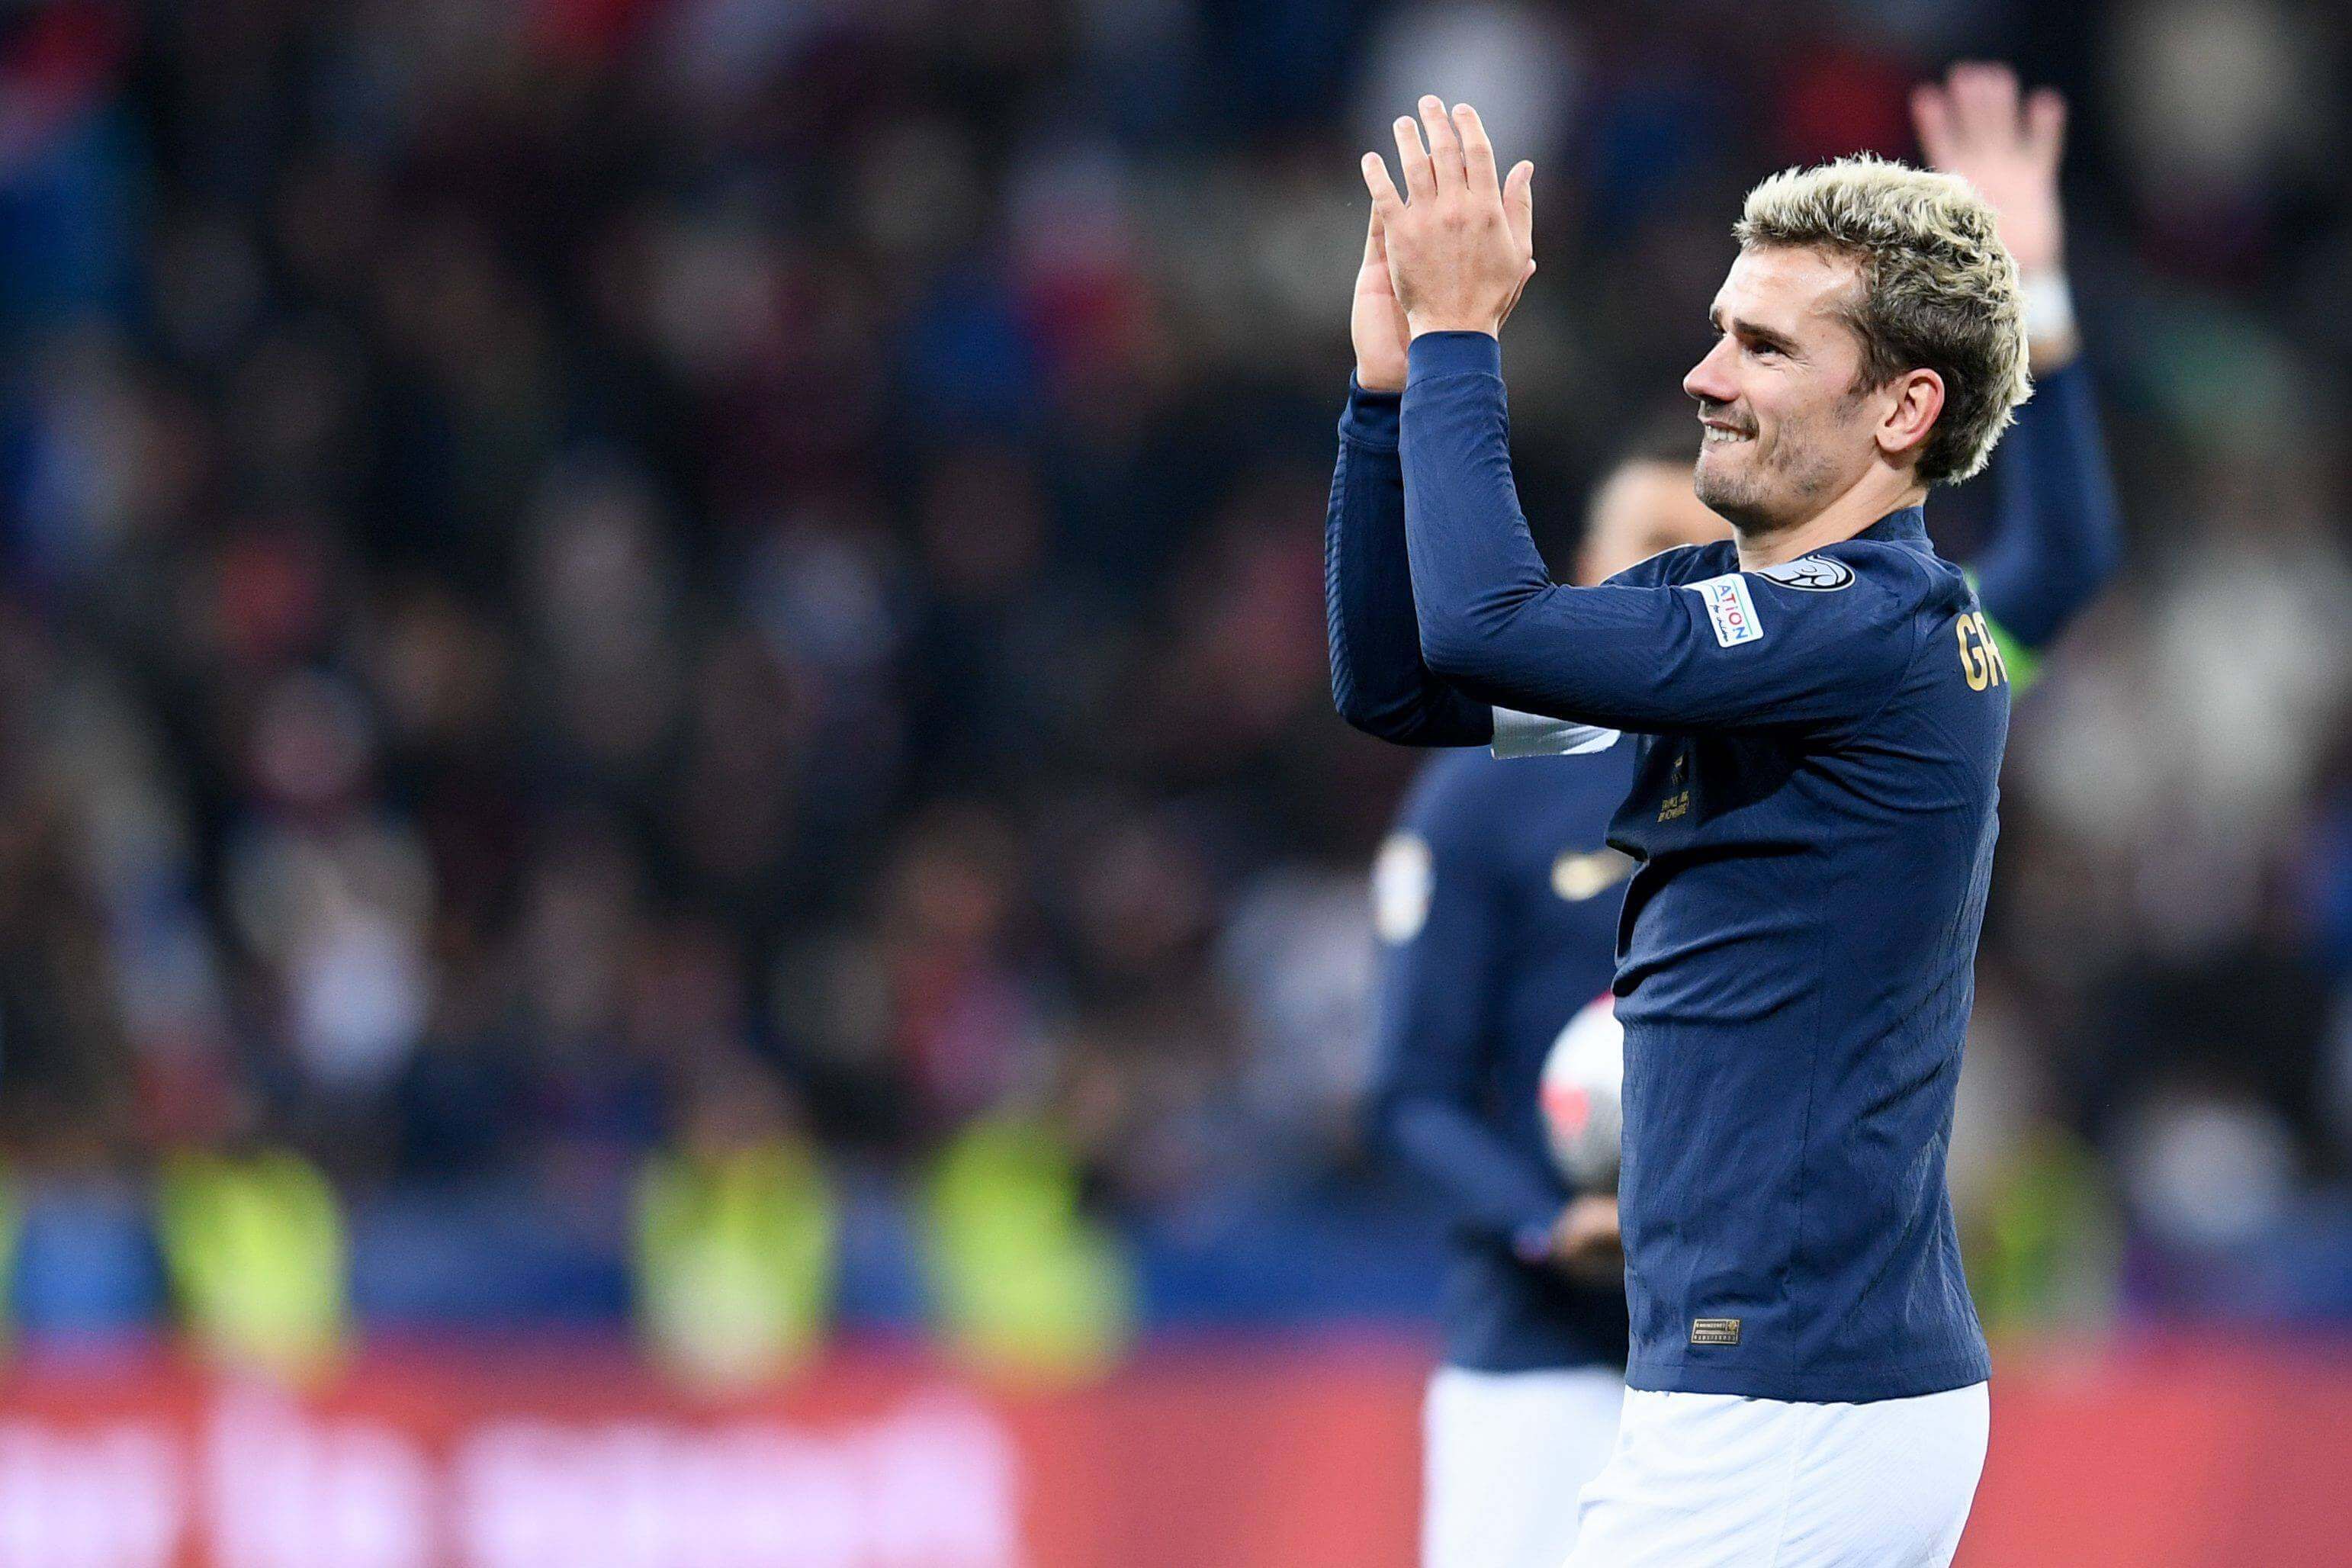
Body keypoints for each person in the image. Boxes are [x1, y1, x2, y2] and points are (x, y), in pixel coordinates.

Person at [1338, 64, 2121, 1568]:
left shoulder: (1857, 631)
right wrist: (1386, 405)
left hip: (1789, 1392)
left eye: (1762, 344)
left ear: (1903, 407)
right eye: (1717, 331)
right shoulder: (1745, 635)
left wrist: (1456, 344)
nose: (1707, 374)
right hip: (1784, 1382)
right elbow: (1412, 687)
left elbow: (1492, 622)